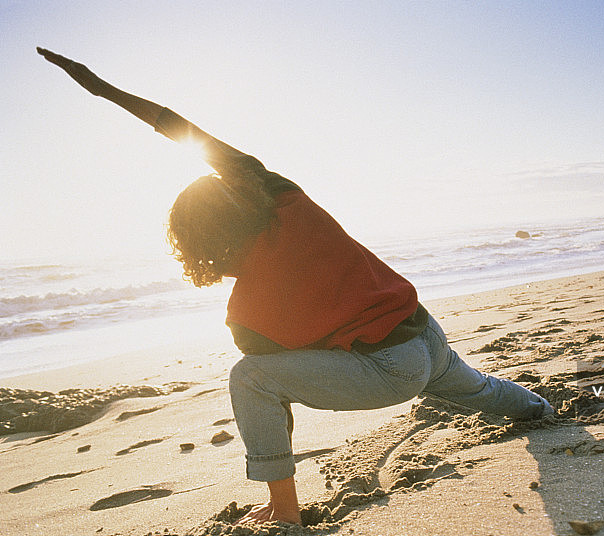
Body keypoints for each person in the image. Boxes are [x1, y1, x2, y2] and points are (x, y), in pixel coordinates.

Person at [37, 47, 553, 526]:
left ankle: (284, 514)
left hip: (386, 371)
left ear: (200, 245)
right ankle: (542, 409)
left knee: (251, 379)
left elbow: (277, 392)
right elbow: (186, 131)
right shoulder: (286, 199)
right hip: (425, 334)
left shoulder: (246, 311)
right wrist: (101, 88)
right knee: (481, 391)